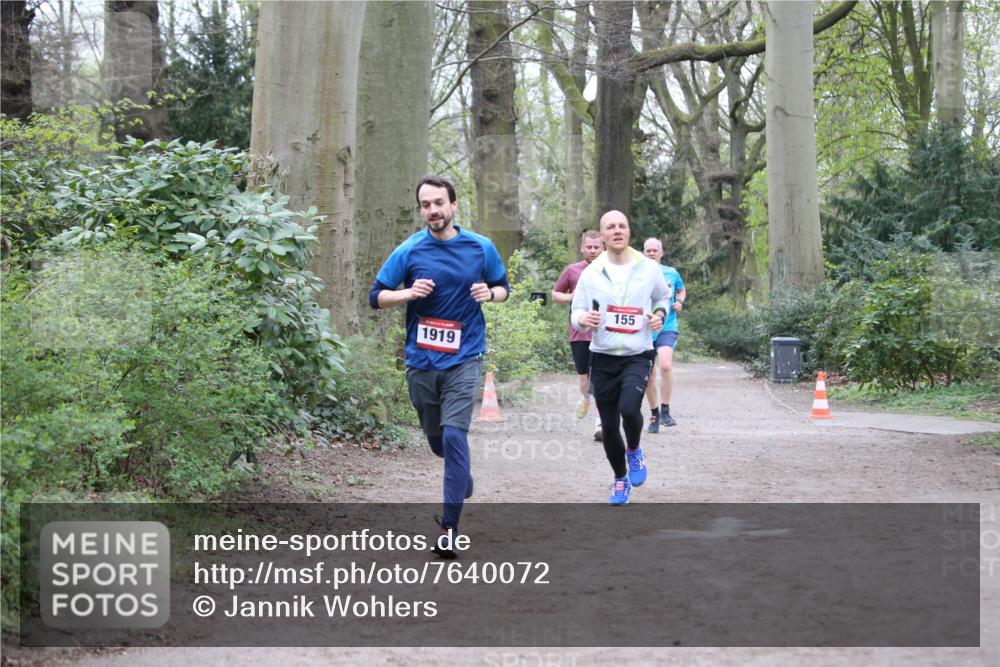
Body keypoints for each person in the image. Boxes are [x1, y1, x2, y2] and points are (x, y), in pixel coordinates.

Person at [369, 175, 509, 556]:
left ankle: (449, 528)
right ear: (421, 210)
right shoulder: (410, 251)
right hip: (421, 361)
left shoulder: (481, 248)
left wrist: (490, 294)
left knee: (453, 436)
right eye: (426, 205)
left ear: (453, 205)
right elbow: (375, 296)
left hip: (465, 358)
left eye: (439, 203)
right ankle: (460, 476)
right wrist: (407, 294)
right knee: (437, 443)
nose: (433, 210)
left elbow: (502, 287)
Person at [571, 211, 671, 505]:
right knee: (609, 426)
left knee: (630, 409)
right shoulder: (591, 273)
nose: (617, 231)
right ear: (601, 236)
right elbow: (575, 312)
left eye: (622, 226)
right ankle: (619, 479)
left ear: (629, 232)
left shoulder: (648, 267)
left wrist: (660, 316)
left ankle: (635, 450)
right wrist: (583, 319)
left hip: (637, 354)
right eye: (610, 227)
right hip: (602, 357)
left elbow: (663, 298)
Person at [551, 230, 605, 441]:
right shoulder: (573, 271)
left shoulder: (611, 270)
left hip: (603, 333)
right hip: (579, 334)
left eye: (596, 247)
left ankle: (600, 422)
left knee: (600, 378)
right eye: (589, 247)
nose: (592, 251)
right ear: (582, 248)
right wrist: (573, 297)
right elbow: (555, 295)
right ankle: (586, 398)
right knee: (585, 381)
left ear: (603, 247)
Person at [641, 238, 687, 432]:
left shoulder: (671, 272)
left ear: (661, 253)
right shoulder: (638, 273)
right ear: (643, 253)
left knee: (666, 365)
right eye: (648, 250)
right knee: (649, 377)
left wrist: (680, 302)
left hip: (667, 326)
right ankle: (654, 414)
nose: (651, 253)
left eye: (655, 250)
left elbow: (681, 289)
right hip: (644, 329)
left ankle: (666, 409)